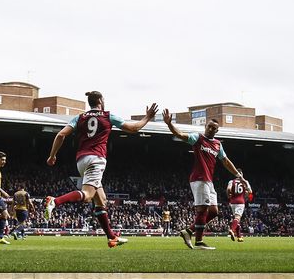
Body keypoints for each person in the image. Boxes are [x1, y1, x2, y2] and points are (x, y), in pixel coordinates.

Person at [44, 92, 158, 247]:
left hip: (81, 160)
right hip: (96, 159)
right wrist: (148, 117)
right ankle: (55, 201)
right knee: (88, 195)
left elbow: (60, 135)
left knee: (101, 199)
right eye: (103, 99)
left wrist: (52, 156)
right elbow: (133, 128)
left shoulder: (80, 117)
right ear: (99, 101)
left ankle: (112, 237)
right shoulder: (108, 116)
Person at [162, 110, 248, 251]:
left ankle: (188, 231)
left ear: (217, 131)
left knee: (213, 211)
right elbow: (180, 135)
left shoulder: (218, 145)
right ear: (205, 126)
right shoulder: (198, 138)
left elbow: (226, 161)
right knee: (202, 210)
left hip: (209, 181)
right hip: (199, 178)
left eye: (214, 128)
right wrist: (169, 124)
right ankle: (199, 241)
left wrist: (240, 177)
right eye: (209, 126)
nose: (211, 129)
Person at [224, 173, 254, 243]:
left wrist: (229, 195)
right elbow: (250, 192)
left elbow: (228, 189)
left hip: (232, 202)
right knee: (237, 218)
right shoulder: (245, 182)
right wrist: (246, 195)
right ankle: (232, 230)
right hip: (240, 201)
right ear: (241, 175)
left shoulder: (231, 181)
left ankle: (239, 237)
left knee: (236, 219)